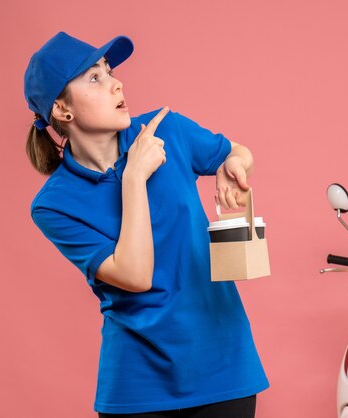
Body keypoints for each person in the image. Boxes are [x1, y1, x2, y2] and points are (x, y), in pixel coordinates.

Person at [23, 32, 269, 417]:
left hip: (223, 368)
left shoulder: (165, 130)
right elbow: (135, 275)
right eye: (94, 78)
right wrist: (134, 178)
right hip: (136, 387)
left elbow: (239, 152)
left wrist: (231, 166)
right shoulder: (54, 205)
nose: (116, 82)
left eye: (109, 71)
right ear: (61, 109)